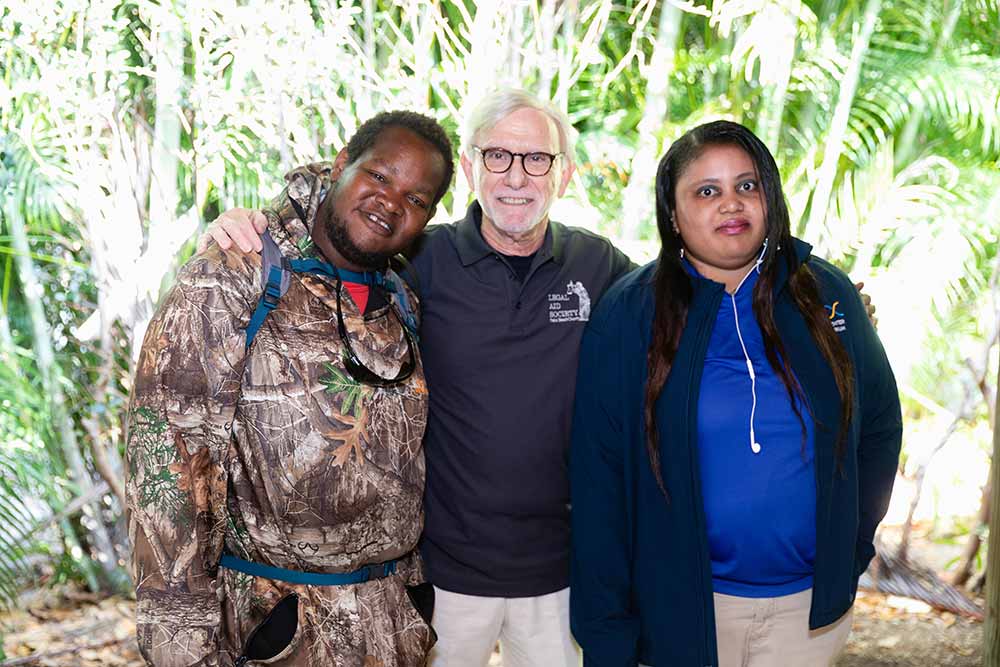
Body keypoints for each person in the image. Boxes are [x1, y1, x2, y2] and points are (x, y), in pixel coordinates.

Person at [201, 92, 878, 667]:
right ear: (470, 168)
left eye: (536, 158)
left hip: (562, 577)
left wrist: (815, 300)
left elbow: (707, 273)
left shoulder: (606, 272)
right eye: (497, 155)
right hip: (441, 573)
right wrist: (256, 223)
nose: (516, 176)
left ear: (563, 173)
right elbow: (336, 241)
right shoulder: (418, 263)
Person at [125, 111, 453, 666]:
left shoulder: (400, 296)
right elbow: (168, 470)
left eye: (416, 199)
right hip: (278, 628)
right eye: (378, 176)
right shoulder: (235, 273)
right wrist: (180, 645)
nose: (391, 202)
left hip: (392, 627)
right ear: (342, 165)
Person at [568, 121, 902, 667]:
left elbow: (880, 428)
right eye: (707, 190)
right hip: (682, 612)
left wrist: (851, 547)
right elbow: (600, 482)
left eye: (747, 186)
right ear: (672, 216)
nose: (731, 204)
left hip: (807, 616)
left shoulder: (826, 293)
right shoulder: (629, 315)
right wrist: (607, 632)